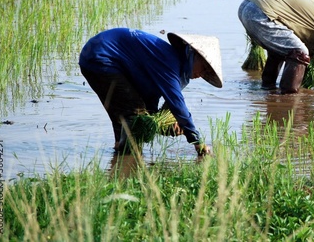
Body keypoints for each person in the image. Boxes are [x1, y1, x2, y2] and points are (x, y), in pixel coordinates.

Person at [79, 28, 223, 156]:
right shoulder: (169, 62)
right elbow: (177, 104)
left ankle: (119, 153)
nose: (202, 74)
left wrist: (160, 124)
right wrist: (196, 140)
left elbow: (150, 101)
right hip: (101, 56)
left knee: (124, 113)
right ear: (193, 55)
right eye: (203, 68)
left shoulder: (169, 64)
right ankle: (129, 160)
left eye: (206, 73)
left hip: (96, 55)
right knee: (134, 113)